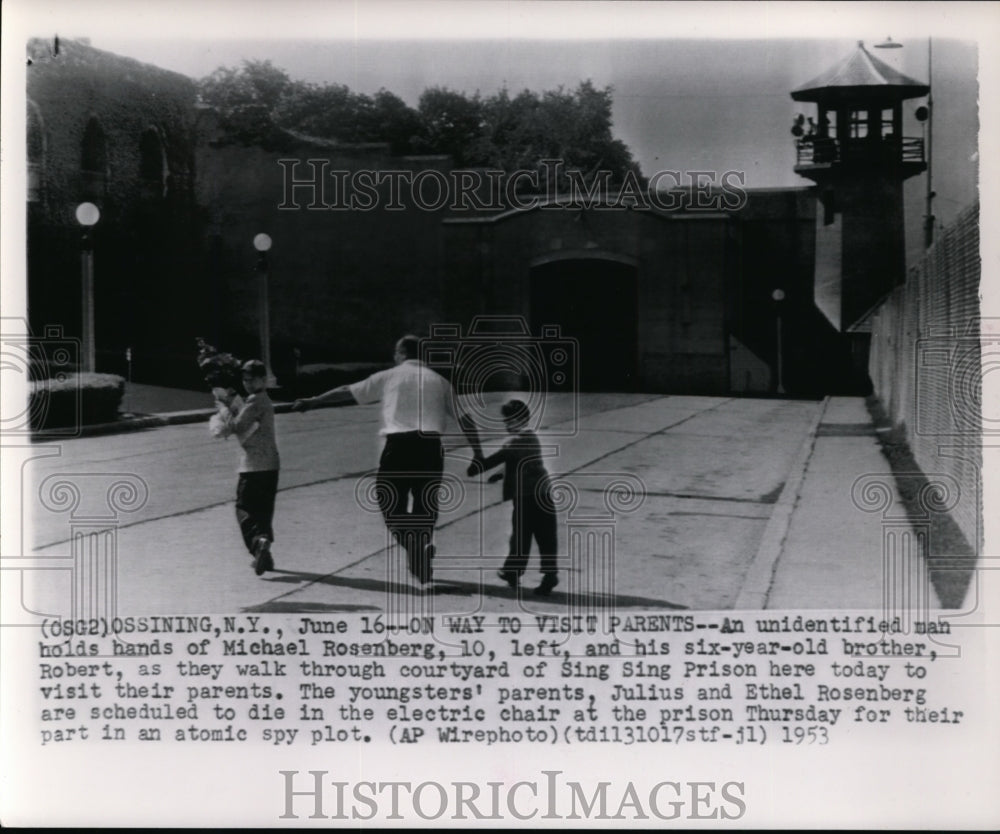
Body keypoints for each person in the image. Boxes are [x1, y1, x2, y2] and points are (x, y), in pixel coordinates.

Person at [292, 334, 480, 584]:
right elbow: (465, 418)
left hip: (399, 446)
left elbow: (347, 391)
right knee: (426, 506)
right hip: (431, 448)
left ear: (401, 353)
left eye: (395, 352)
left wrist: (314, 402)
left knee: (389, 501)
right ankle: (420, 549)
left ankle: (413, 546)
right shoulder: (441, 381)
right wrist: (478, 452)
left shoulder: (389, 376)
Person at [468, 398, 558, 596]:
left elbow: (494, 460)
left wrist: (476, 465)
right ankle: (547, 574)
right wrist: (501, 474)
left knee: (521, 535)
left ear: (520, 420)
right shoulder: (531, 438)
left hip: (527, 496)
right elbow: (520, 462)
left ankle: (513, 570)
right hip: (543, 493)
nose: (506, 425)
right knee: (545, 536)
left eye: (509, 421)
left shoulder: (513, 442)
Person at [215, 359, 280, 576]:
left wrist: (223, 408)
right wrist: (233, 400)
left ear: (263, 379)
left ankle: (257, 543)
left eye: (252, 379)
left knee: (243, 508)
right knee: (263, 511)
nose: (248, 383)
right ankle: (265, 553)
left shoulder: (255, 401)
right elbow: (246, 419)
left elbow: (238, 425)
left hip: (253, 466)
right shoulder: (262, 401)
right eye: (245, 379)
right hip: (270, 465)